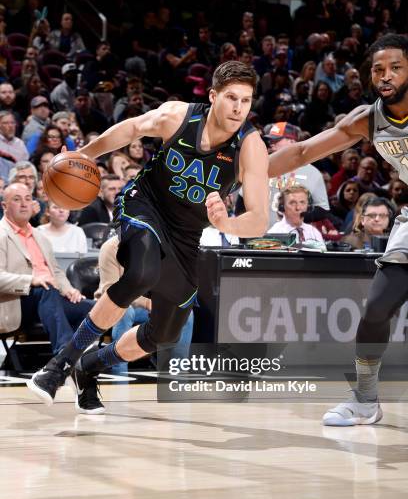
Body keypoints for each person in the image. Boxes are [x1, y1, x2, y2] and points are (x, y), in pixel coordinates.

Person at [26, 60, 269, 413]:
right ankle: (62, 362)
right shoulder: (178, 116)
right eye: (231, 97)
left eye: (245, 101)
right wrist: (84, 155)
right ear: (213, 96)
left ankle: (89, 366)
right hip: (145, 205)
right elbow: (130, 130)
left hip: (187, 235)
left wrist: (228, 224)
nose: (237, 108)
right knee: (141, 273)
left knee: (163, 334)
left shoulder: (250, 146)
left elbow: (259, 219)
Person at [265, 33, 408, 426]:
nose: (386, 75)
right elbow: (303, 151)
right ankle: (365, 400)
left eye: (396, 66)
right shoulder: (368, 118)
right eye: (379, 69)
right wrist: (243, 171)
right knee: (377, 307)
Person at [0, 183, 93, 352]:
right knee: (46, 288)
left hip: (49, 300)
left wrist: (69, 289)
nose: (24, 204)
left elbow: (55, 271)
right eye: (17, 199)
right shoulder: (1, 234)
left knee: (91, 309)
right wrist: (32, 280)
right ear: (4, 206)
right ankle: (64, 355)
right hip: (17, 304)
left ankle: (82, 356)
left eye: (28, 199)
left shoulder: (39, 236)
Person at [96, 236, 194, 377]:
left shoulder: (159, 246)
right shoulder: (109, 248)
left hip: (149, 304)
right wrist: (149, 303)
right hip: (115, 304)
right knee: (124, 311)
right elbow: (111, 290)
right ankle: (119, 371)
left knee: (184, 311)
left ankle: (177, 373)